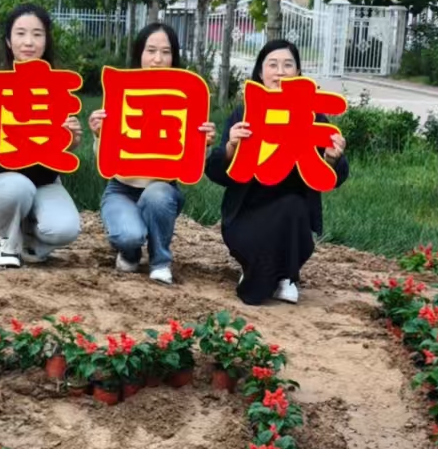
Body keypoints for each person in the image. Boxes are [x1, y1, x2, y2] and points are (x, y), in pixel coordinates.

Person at [205, 38, 349, 306]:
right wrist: (230, 147)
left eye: (288, 65)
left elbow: (337, 176)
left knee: (291, 207)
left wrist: (331, 159)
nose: (280, 72)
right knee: (259, 234)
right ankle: (253, 270)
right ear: (261, 72)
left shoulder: (313, 116)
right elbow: (215, 172)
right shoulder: (243, 113)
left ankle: (286, 276)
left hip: (294, 215)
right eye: (272, 65)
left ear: (298, 72)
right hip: (246, 210)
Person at [88, 22, 213, 286]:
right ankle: (130, 251)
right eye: (151, 51)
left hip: (162, 190)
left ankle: (160, 261)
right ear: (140, 54)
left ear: (174, 57)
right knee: (129, 236)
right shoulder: (123, 94)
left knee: (157, 195)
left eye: (166, 52)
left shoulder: (185, 98)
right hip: (121, 189)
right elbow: (105, 161)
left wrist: (205, 142)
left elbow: (192, 165)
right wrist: (99, 134)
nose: (158, 59)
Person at [0, 4, 83, 269]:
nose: (28, 42)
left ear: (46, 40)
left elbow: (66, 146)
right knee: (17, 187)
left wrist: (73, 137)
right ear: (9, 41)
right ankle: (6, 242)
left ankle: (30, 241)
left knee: (64, 229)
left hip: (45, 182)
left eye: (37, 34)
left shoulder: (58, 87)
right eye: (20, 33)